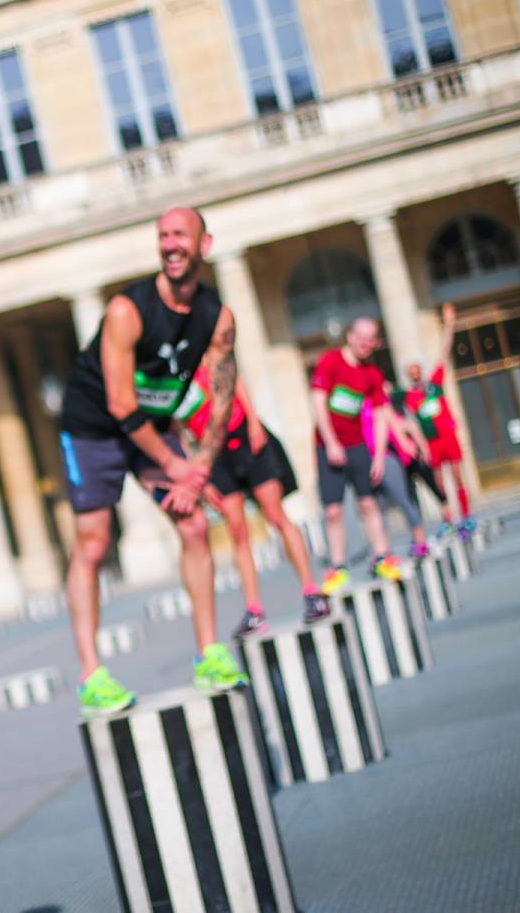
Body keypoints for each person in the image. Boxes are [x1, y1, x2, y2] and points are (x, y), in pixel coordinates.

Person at [57, 207, 247, 717]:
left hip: (154, 426)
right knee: (93, 543)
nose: (170, 245)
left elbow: (223, 394)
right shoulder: (128, 309)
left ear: (204, 243)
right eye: (162, 236)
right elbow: (121, 405)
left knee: (193, 526)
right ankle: (91, 674)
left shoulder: (217, 317)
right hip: (94, 427)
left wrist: (199, 465)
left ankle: (210, 653)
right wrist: (175, 464)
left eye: (180, 235)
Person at [181, 372, 330, 638]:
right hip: (212, 454)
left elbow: (234, 378)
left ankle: (312, 592)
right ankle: (254, 610)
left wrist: (253, 422)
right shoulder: (167, 376)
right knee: (237, 531)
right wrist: (196, 473)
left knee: (276, 516)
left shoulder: (199, 352)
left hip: (246, 437)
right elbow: (175, 429)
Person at [311, 317, 407, 592]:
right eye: (360, 336)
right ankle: (337, 567)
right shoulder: (330, 361)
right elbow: (318, 404)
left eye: (370, 338)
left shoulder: (373, 374)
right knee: (333, 511)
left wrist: (378, 456)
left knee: (368, 504)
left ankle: (382, 556)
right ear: (350, 336)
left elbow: (380, 416)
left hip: (357, 447)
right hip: (327, 445)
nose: (364, 343)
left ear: (375, 343)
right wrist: (330, 443)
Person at [402, 303, 474, 537]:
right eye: (410, 371)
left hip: (447, 435)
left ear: (420, 371)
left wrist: (449, 325)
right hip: (432, 441)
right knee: (439, 482)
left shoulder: (434, 384)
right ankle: (448, 518)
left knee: (457, 476)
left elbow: (444, 352)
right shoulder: (410, 397)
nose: (415, 374)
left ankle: (466, 515)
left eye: (416, 370)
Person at [361, 396, 430, 560]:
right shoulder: (354, 405)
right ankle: (383, 552)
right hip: (364, 461)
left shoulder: (377, 401)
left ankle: (420, 542)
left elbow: (395, 422)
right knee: (374, 508)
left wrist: (408, 444)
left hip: (385, 458)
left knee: (403, 500)